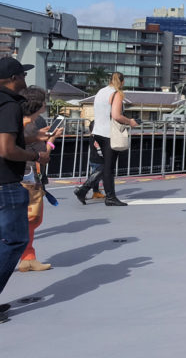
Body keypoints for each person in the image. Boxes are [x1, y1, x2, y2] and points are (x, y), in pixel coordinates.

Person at [1, 58, 50, 319]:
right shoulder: (10, 106)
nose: (25, 80)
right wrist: (35, 155)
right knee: (16, 240)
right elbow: (7, 149)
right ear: (13, 79)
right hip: (6, 182)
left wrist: (33, 138)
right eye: (22, 75)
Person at [75, 71, 137, 206]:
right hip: (109, 134)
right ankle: (110, 197)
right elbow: (116, 115)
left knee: (104, 165)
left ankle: (84, 189)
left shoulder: (101, 92)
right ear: (122, 82)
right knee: (109, 168)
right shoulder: (117, 94)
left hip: (97, 132)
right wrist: (130, 121)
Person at [18, 86, 60, 272]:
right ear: (39, 106)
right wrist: (52, 140)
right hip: (29, 178)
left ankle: (28, 257)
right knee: (31, 219)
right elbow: (43, 155)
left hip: (16, 175)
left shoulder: (14, 121)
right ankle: (26, 257)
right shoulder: (32, 125)